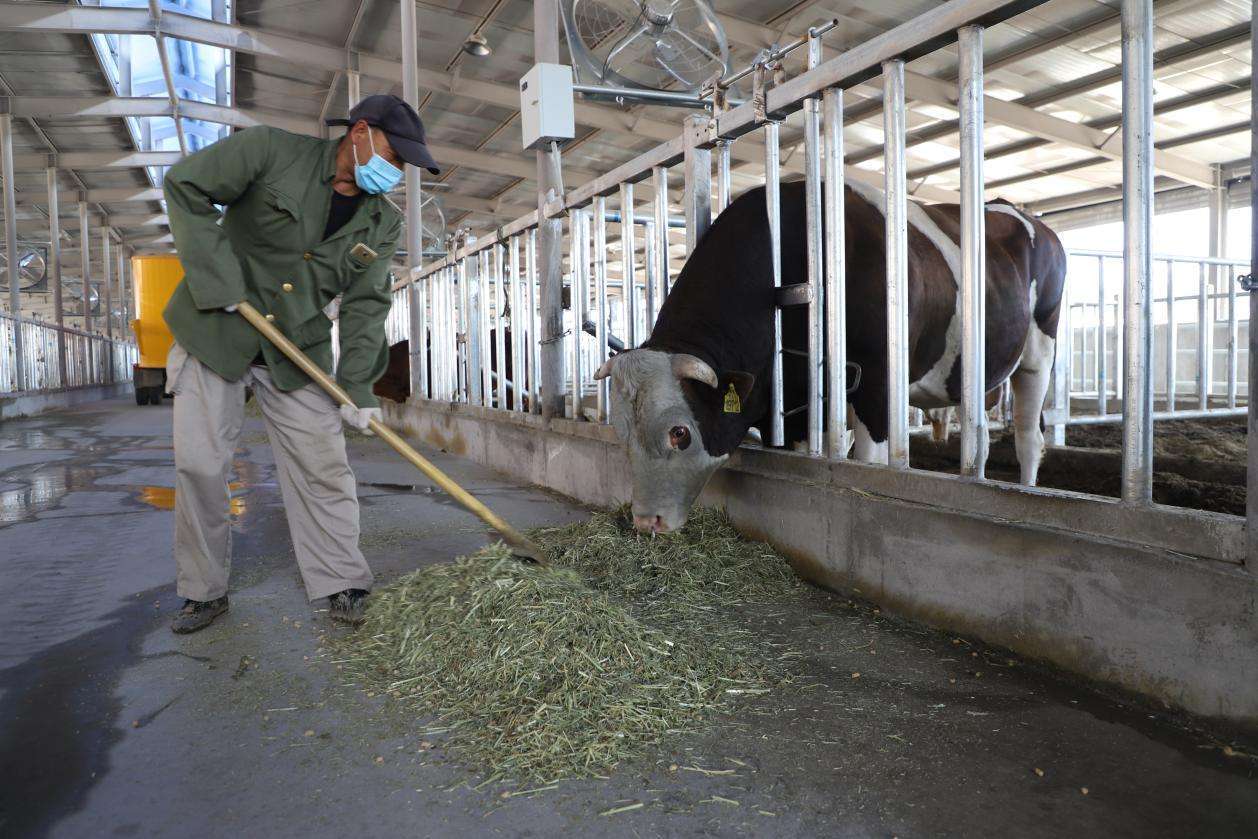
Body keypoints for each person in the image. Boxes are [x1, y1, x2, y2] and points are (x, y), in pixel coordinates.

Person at [161, 94, 440, 634]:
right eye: (393, 154)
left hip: (297, 345)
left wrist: (358, 386)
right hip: (215, 326)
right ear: (359, 132)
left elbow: (366, 305)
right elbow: (185, 185)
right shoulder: (269, 151)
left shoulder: (381, 222)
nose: (396, 170)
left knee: (324, 465)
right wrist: (217, 278)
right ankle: (203, 591)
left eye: (403, 164)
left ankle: (342, 580)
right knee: (200, 465)